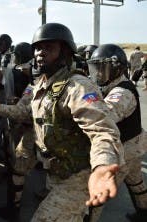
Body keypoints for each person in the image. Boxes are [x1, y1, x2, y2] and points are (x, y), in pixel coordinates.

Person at [28, 23, 125, 222]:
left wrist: (102, 167)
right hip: (56, 172)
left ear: (65, 52)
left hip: (76, 177)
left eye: (49, 48)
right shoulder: (43, 84)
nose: (40, 53)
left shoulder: (77, 86)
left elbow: (102, 130)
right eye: (38, 48)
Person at [88, 44, 147, 222]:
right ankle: (144, 213)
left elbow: (104, 117)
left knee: (98, 191)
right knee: (136, 183)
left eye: (102, 69)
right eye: (96, 68)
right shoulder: (112, 86)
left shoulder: (121, 91)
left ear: (117, 68)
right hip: (134, 146)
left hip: (124, 151)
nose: (98, 74)